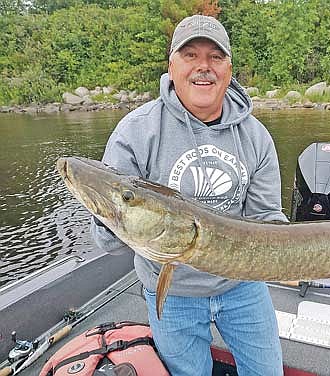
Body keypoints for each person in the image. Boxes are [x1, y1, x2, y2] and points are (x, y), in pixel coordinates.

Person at [91, 14, 287, 376]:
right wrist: (106, 212)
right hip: (172, 291)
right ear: (172, 66)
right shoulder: (135, 132)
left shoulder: (256, 137)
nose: (204, 67)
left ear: (229, 68)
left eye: (215, 57)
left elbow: (268, 219)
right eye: (190, 55)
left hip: (241, 287)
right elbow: (110, 242)